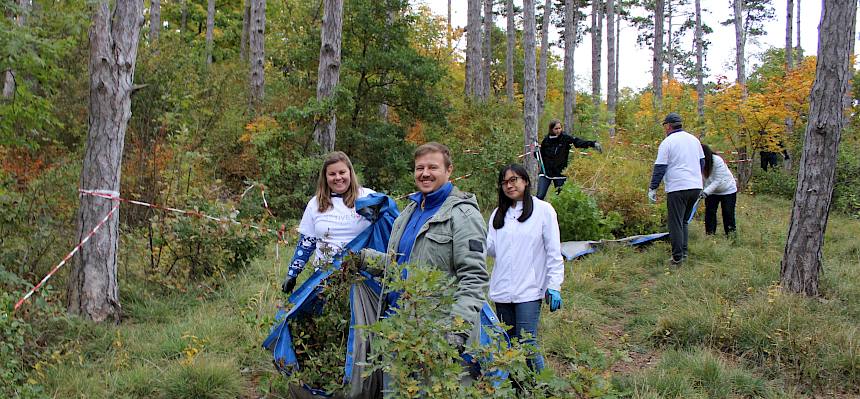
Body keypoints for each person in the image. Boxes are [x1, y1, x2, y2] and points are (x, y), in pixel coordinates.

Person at [368, 142, 490, 349]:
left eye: (433, 167)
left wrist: (456, 330)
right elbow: (400, 264)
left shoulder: (463, 216)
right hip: (396, 328)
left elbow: (474, 278)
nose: (425, 174)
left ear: (449, 170)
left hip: (436, 334)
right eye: (419, 168)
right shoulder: (408, 213)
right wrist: (365, 259)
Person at [486, 164, 563, 372]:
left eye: (514, 180)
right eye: (504, 182)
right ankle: (518, 387)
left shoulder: (543, 211)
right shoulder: (497, 214)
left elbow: (554, 252)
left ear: (525, 181)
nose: (509, 186)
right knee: (508, 343)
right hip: (502, 290)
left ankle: (542, 389)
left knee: (527, 343)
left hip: (529, 289)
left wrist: (554, 285)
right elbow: (491, 249)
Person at [281, 151, 376, 294]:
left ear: (350, 173)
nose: (338, 177)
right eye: (332, 174)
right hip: (324, 280)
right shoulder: (315, 204)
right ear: (325, 177)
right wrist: (292, 273)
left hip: (362, 279)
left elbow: (389, 228)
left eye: (342, 172)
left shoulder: (369, 198)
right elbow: (307, 242)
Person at [647, 113, 704, 265]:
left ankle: (677, 257)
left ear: (669, 126)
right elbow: (702, 162)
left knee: (675, 223)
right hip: (696, 186)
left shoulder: (668, 142)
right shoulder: (694, 140)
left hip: (678, 187)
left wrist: (653, 188)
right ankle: (683, 253)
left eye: (665, 126)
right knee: (684, 221)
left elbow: (660, 167)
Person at [536, 119, 602, 200]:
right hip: (546, 173)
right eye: (556, 129)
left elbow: (578, 142)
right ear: (551, 129)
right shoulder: (546, 141)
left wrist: (593, 144)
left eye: (559, 128)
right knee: (540, 196)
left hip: (560, 173)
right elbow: (540, 155)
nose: (558, 130)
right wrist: (535, 153)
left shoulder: (565, 138)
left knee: (561, 198)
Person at [701, 144, 738, 236]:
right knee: (710, 213)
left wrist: (705, 192)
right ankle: (710, 235)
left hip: (727, 190)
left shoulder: (717, 160)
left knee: (728, 213)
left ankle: (731, 235)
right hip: (711, 191)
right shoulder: (698, 162)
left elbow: (718, 180)